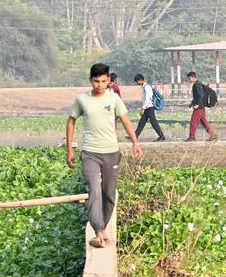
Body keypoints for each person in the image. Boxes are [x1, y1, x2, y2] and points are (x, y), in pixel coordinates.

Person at [66, 63, 143, 248]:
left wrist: (135, 142)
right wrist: (69, 149)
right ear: (90, 81)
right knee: (94, 189)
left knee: (108, 193)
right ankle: (99, 230)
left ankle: (102, 227)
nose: (99, 85)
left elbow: (125, 121)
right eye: (95, 81)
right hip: (90, 152)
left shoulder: (114, 98)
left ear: (109, 81)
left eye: (103, 81)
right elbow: (71, 122)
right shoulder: (81, 99)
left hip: (111, 152)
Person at [186, 71, 219, 142]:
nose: (189, 80)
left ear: (194, 77)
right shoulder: (197, 84)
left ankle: (192, 137)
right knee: (204, 122)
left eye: (189, 78)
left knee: (193, 122)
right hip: (201, 106)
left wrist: (197, 105)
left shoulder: (197, 84)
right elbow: (197, 97)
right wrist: (192, 103)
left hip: (199, 107)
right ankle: (213, 135)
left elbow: (201, 96)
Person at [133, 73, 165, 141]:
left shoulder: (147, 87)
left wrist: (143, 108)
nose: (137, 83)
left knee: (153, 122)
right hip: (147, 107)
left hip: (149, 107)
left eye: (137, 81)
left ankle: (161, 136)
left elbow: (148, 99)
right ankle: (135, 136)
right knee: (141, 122)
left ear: (141, 80)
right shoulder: (144, 87)